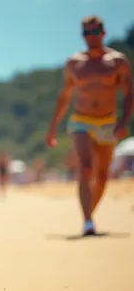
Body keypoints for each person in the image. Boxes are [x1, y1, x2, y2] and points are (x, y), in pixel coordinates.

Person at [45, 15, 133, 236]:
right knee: (85, 167)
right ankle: (87, 221)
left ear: (103, 33)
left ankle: (88, 215)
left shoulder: (117, 61)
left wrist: (123, 122)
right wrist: (52, 129)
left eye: (95, 32)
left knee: (102, 175)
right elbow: (64, 97)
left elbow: (129, 94)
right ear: (82, 36)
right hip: (81, 120)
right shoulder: (74, 63)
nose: (91, 37)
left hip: (107, 121)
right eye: (86, 33)